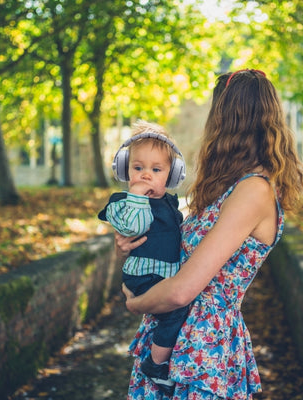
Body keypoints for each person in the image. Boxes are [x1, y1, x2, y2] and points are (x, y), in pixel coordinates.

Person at [119, 69, 303, 400]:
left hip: (202, 347)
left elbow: (181, 292)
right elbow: (177, 254)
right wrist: (133, 240)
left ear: (228, 118)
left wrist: (137, 304)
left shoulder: (254, 190)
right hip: (177, 336)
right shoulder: (229, 186)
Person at [98, 120, 189, 395]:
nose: (146, 175)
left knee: (174, 315)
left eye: (156, 170)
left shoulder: (170, 202)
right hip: (145, 275)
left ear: (170, 177)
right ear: (126, 170)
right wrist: (136, 195)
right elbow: (134, 227)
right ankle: (156, 364)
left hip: (162, 274)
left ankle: (160, 357)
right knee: (176, 312)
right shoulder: (122, 202)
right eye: (138, 168)